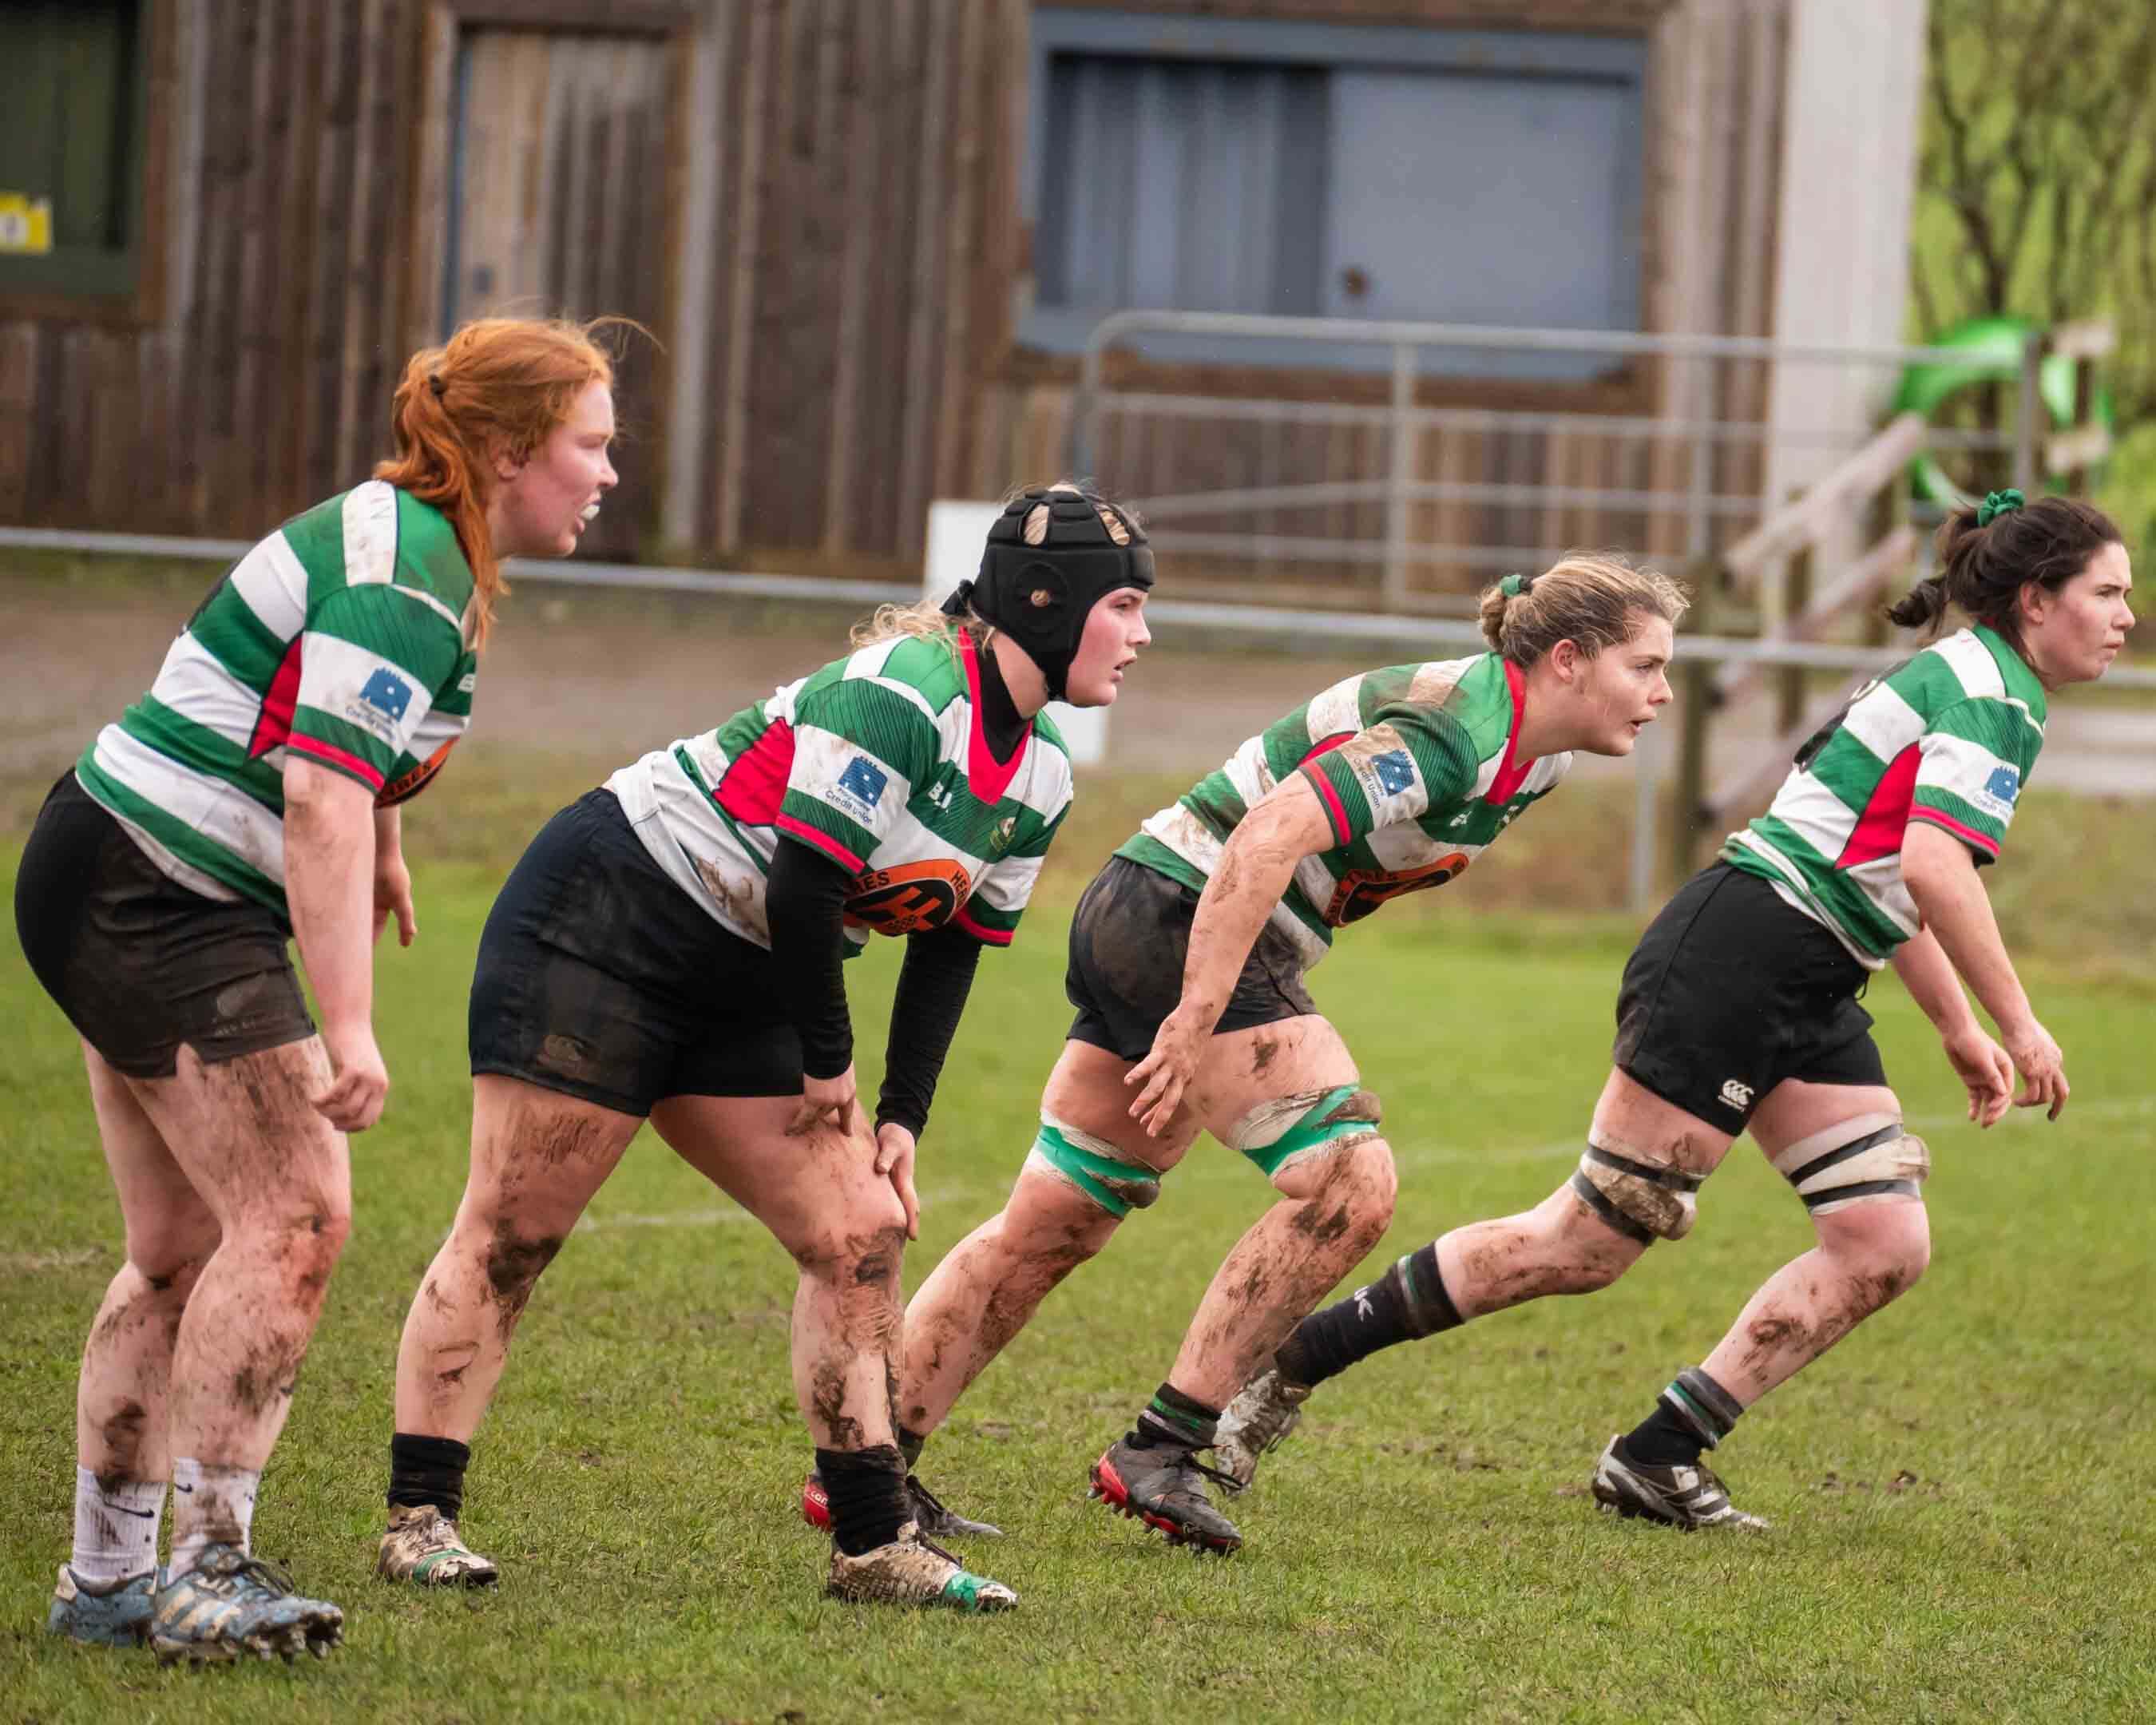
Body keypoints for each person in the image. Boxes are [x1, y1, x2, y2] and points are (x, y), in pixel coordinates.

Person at [1219, 490, 2134, 1531]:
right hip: (1745, 953)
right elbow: (1931, 865)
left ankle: (1661, 1455)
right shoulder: (1985, 691)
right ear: (2036, 598)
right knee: (1583, 1245)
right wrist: (2016, 1021)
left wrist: (1958, 1028)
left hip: (1810, 964)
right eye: (2107, 592)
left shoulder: (1988, 683)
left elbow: (1888, 868)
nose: (2125, 617)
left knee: (1881, 1239)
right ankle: (1292, 1362)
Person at [378, 484, 1153, 1611]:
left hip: (753, 963)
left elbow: (953, 950)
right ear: (1047, 601)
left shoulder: (1039, 774)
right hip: (614, 917)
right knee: (515, 1230)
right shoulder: (907, 692)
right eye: (1125, 605)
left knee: (859, 1230)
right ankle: (418, 1520)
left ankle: (872, 1542)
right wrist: (830, 1074)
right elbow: (805, 885)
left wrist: (900, 1119)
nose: (1142, 636)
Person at [870, 554, 1686, 1554]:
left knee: (1059, 1218)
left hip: (1156, 909)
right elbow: (1266, 839)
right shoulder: (1450, 733)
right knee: (1349, 1179)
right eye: (1645, 666)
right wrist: (1197, 1010)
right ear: (1567, 659)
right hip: (1185, 918)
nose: (1663, 693)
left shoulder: (1539, 756)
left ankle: (868, 1474)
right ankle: (1162, 1448)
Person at [18, 316, 622, 1661]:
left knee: (180, 1249)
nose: (606, 476)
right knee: (296, 1214)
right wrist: (346, 1022)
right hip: (157, 888)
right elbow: (318, 788)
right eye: (591, 446)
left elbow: (339, 739)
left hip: (106, 858)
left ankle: (109, 1580)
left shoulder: (414, 543)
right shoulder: (408, 569)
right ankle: (209, 1568)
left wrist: (393, 846)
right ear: (511, 451)